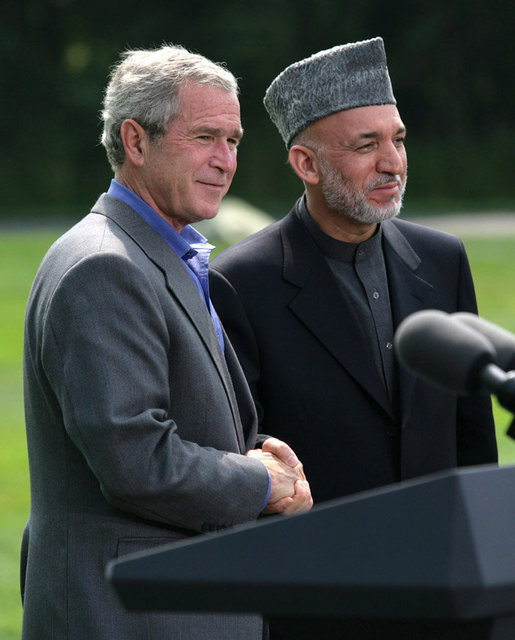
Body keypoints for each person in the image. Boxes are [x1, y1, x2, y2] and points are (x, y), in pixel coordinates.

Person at [21, 44, 312, 640]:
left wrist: (263, 454)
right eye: (205, 137)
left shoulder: (163, 252)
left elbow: (187, 422)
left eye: (233, 141)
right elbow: (136, 461)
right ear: (135, 141)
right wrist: (261, 483)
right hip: (131, 616)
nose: (225, 161)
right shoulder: (104, 266)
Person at [210, 37, 498, 508]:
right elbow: (243, 452)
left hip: (441, 557)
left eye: (398, 140)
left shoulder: (443, 258)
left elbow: (474, 437)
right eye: (368, 145)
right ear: (307, 164)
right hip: (322, 566)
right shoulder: (239, 283)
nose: (393, 164)